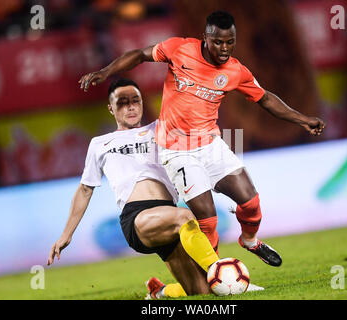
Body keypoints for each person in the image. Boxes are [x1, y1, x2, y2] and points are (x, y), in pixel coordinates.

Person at [78, 11, 326, 267]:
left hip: (210, 145)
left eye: (230, 42)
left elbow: (265, 99)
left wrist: (302, 119)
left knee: (250, 202)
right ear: (205, 38)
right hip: (176, 150)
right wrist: (106, 72)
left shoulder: (234, 71)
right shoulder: (179, 49)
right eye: (218, 42)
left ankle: (250, 241)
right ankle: (215, 274)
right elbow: (140, 54)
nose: (224, 48)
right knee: (207, 218)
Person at [47, 78, 220, 299]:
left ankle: (160, 292)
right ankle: (222, 272)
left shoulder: (161, 128)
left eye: (135, 101)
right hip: (138, 218)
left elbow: (198, 140)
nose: (130, 106)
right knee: (185, 217)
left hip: (167, 214)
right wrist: (66, 234)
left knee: (201, 292)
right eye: (122, 102)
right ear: (111, 108)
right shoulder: (100, 144)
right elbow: (84, 190)